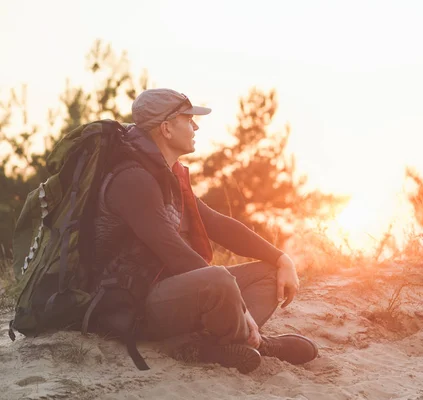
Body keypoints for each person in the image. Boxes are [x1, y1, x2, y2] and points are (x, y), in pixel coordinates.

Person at [93, 88, 317, 373]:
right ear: (166, 128)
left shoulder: (167, 174)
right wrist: (243, 310)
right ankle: (258, 343)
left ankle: (206, 345)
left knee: (269, 274)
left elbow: (218, 224)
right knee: (218, 279)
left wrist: (281, 258)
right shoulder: (133, 179)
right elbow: (172, 251)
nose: (196, 126)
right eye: (188, 119)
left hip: (171, 292)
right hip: (133, 304)